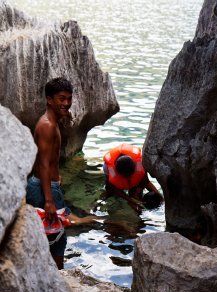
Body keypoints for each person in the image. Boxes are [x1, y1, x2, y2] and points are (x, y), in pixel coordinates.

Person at [26, 77, 94, 270]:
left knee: (48, 237)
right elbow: (44, 164)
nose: (66, 103)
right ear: (49, 100)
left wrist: (56, 177)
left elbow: (46, 161)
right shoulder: (47, 125)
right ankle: (57, 282)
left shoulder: (52, 121)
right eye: (61, 99)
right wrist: (49, 200)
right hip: (44, 189)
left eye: (69, 98)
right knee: (56, 240)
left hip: (43, 185)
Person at [103, 143, 164, 212]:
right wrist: (131, 200)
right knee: (109, 192)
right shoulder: (109, 169)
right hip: (113, 173)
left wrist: (160, 197)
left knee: (137, 192)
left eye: (130, 175)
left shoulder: (140, 164)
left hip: (133, 167)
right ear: (118, 172)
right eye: (126, 176)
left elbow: (145, 181)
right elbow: (115, 189)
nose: (129, 178)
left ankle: (138, 208)